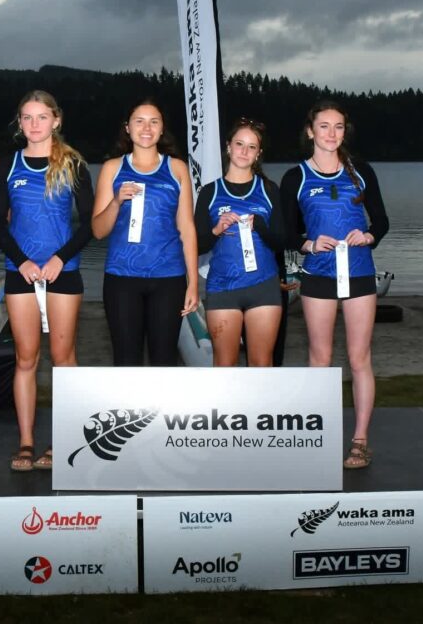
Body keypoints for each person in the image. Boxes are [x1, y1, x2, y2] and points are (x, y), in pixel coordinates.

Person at [280, 100, 389, 469]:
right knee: (320, 359)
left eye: (338, 127)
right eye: (324, 126)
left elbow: (382, 222)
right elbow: (284, 231)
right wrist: (307, 243)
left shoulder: (361, 172)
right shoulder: (296, 178)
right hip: (318, 277)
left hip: (358, 273)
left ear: (345, 131)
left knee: (359, 358)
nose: (331, 134)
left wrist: (369, 235)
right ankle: (319, 439)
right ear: (310, 131)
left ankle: (360, 441)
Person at [0, 90, 92, 472]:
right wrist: (22, 262)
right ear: (20, 123)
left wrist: (58, 259)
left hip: (62, 274)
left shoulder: (74, 165)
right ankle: (28, 442)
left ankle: (64, 441)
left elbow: (89, 225)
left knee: (64, 359)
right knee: (25, 359)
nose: (34, 125)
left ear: (56, 120)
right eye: (27, 118)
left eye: (41, 117)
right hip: (22, 275)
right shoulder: (9, 164)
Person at [92, 100, 199, 366]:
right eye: (139, 121)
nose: (146, 128)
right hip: (122, 278)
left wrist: (194, 282)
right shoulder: (112, 168)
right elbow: (98, 230)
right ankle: (129, 410)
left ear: (162, 129)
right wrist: (116, 202)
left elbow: (186, 227)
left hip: (169, 278)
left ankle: (159, 409)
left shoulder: (177, 169)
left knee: (164, 361)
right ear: (127, 128)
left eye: (154, 121)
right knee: (126, 361)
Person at [194, 119, 284, 366]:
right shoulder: (210, 193)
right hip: (223, 288)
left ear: (258, 154)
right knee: (224, 365)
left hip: (263, 286)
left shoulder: (269, 190)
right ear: (228, 147)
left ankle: (261, 407)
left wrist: (261, 227)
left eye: (252, 147)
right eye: (239, 144)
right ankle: (224, 408)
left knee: (261, 364)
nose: (244, 151)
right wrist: (216, 229)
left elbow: (281, 241)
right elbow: (197, 246)